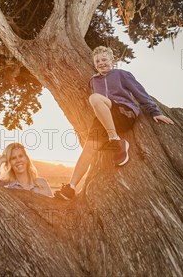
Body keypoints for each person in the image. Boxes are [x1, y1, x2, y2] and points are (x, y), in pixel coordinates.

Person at [55, 46, 174, 201]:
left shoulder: (122, 74)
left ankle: (115, 140)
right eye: (97, 61)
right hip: (103, 119)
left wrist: (155, 112)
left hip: (123, 112)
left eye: (104, 59)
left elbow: (140, 93)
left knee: (94, 98)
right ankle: (71, 187)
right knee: (88, 148)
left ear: (113, 61)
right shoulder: (93, 81)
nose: (101, 63)